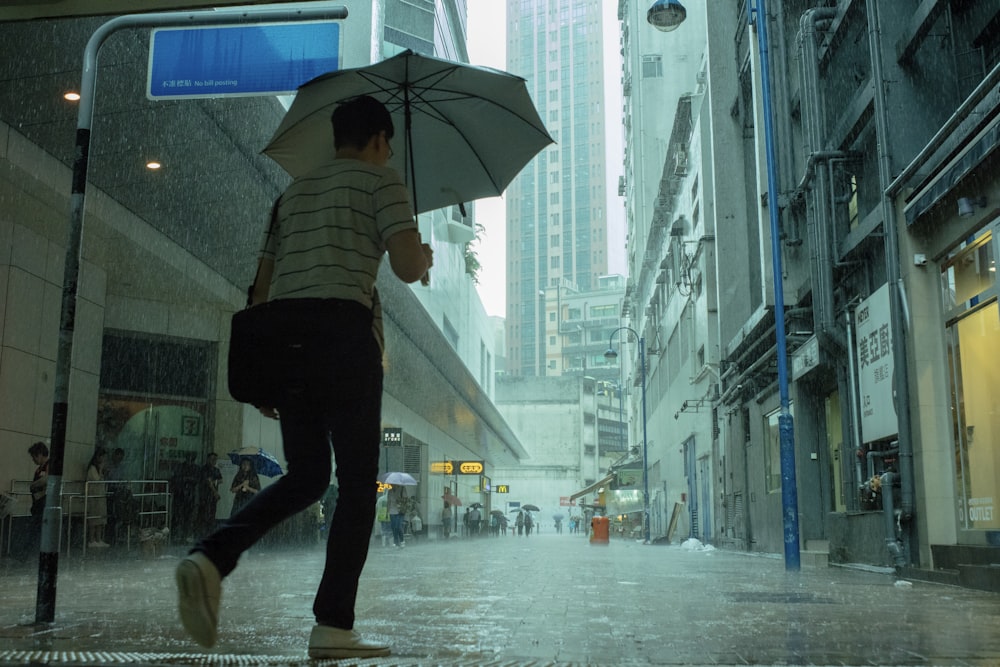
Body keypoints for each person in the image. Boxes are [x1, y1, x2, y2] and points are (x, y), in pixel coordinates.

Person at [175, 94, 432, 660]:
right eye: (387, 145)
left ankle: (212, 555)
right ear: (380, 140)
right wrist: (424, 253)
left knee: (309, 475)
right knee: (358, 485)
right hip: (343, 337)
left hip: (286, 340)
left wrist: (274, 372)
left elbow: (261, 286)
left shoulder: (291, 194)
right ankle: (332, 626)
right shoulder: (382, 182)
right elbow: (409, 269)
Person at [85, 448, 109, 548]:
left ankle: (98, 539)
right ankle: (91, 540)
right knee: (94, 519)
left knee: (100, 519)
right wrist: (101, 469)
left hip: (100, 496)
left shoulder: (99, 469)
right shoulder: (92, 469)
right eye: (103, 457)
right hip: (94, 497)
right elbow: (97, 480)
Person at [197, 453, 222, 538]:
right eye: (212, 459)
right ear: (208, 459)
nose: (213, 461)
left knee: (212, 515)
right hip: (205, 496)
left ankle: (210, 533)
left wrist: (214, 481)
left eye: (215, 459)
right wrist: (215, 492)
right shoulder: (204, 469)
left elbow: (220, 480)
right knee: (204, 516)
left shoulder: (216, 470)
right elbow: (208, 483)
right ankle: (202, 535)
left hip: (213, 498)